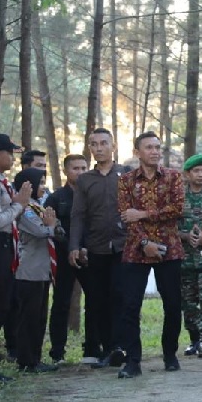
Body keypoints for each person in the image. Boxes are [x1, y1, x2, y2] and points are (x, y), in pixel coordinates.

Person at [116, 131, 185, 378]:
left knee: (173, 304)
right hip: (136, 251)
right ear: (137, 152)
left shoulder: (173, 177)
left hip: (170, 249)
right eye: (149, 147)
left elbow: (177, 209)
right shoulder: (125, 180)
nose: (155, 151)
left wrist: (143, 214)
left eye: (158, 147)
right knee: (130, 305)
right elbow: (126, 217)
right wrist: (145, 242)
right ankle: (133, 361)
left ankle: (170, 354)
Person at [70, 128, 129, 368]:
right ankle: (108, 348)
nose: (99, 148)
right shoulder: (85, 180)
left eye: (104, 143)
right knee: (98, 299)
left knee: (121, 296)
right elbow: (78, 215)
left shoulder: (126, 175)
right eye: (93, 144)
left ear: (113, 146)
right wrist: (75, 245)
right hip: (96, 248)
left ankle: (121, 346)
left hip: (124, 246)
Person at [0, 134, 28, 385]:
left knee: (5, 304)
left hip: (5, 249)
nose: (12, 158)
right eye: (10, 153)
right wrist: (19, 205)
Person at [12, 167, 59, 373]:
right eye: (39, 183)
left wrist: (53, 225)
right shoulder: (24, 208)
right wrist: (51, 225)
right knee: (28, 318)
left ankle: (36, 358)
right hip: (28, 270)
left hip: (42, 269)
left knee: (40, 317)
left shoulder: (38, 206)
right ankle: (26, 360)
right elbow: (41, 231)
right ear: (27, 185)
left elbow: (55, 227)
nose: (43, 187)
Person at [46, 154, 89, 364]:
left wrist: (85, 249)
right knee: (61, 302)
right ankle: (57, 352)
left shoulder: (92, 195)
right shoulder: (55, 198)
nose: (80, 173)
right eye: (75, 169)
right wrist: (70, 248)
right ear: (65, 171)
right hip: (63, 257)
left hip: (89, 255)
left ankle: (94, 348)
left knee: (96, 301)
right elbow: (50, 228)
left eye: (83, 168)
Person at [178, 153, 202, 359]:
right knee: (189, 302)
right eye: (196, 171)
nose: (201, 174)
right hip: (185, 259)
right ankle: (194, 339)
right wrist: (185, 236)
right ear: (187, 174)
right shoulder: (178, 198)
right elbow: (169, 228)